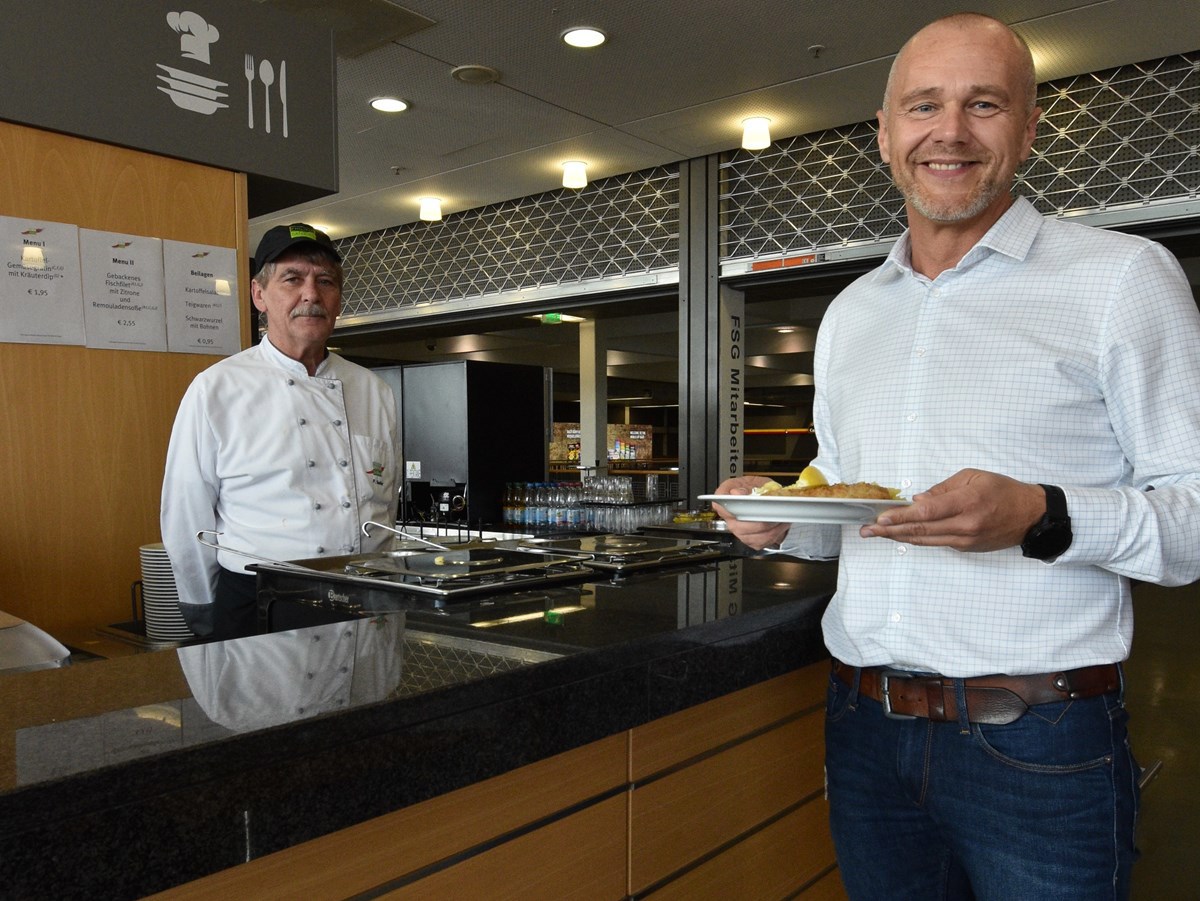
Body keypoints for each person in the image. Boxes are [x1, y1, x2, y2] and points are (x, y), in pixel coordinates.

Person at [713, 13, 1200, 900]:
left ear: (1029, 126)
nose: (950, 131)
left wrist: (1042, 513)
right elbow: (850, 508)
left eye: (984, 103)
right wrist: (786, 515)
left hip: (1040, 740)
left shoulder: (1123, 277)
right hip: (863, 731)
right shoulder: (853, 310)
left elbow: (1194, 516)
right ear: (886, 134)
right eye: (923, 105)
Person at [161, 223, 399, 640]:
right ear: (259, 295)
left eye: (325, 281)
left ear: (338, 299)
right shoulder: (217, 388)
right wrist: (201, 606)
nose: (311, 294)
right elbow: (186, 513)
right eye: (293, 279)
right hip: (261, 605)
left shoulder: (374, 391)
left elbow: (385, 503)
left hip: (367, 600)